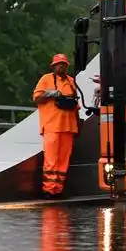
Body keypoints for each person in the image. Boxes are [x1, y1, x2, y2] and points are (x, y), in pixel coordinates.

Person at [33, 53, 81, 197]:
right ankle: (49, 190)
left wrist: (78, 125)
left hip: (69, 127)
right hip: (51, 126)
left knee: (63, 161)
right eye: (59, 64)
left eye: (64, 64)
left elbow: (76, 105)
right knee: (51, 160)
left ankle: (58, 190)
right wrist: (49, 94)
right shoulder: (46, 79)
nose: (62, 66)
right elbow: (36, 99)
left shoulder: (72, 81)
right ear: (53, 67)